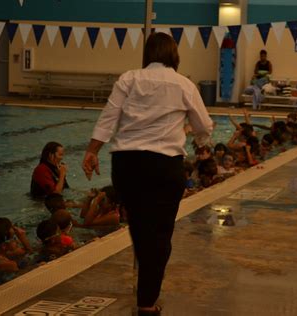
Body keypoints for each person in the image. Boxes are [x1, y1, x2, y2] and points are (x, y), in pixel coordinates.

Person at [82, 32, 213, 315]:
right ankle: (146, 301)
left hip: (127, 165)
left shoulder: (129, 78)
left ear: (147, 54)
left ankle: (146, 291)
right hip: (165, 166)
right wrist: (201, 144)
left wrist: (92, 151)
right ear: (173, 55)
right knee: (161, 234)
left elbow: (109, 117)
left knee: (140, 229)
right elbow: (203, 125)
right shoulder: (184, 84)